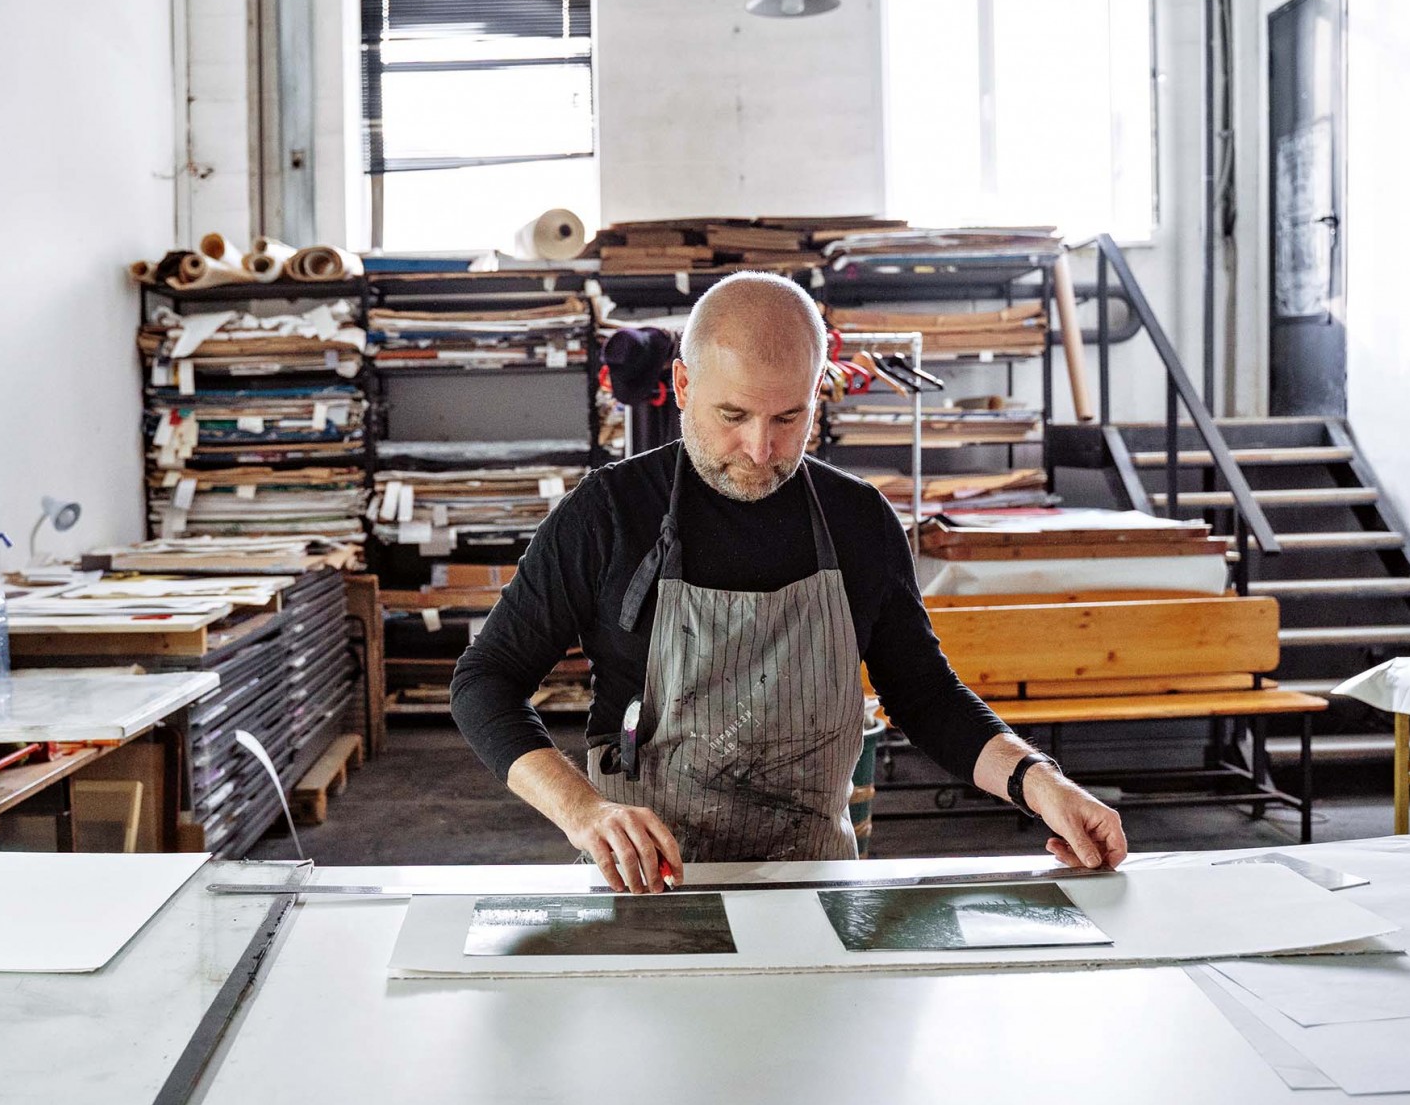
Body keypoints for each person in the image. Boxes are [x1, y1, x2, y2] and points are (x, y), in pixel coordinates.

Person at [451, 271, 1128, 892]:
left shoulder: (859, 521)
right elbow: (486, 680)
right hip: (650, 885)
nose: (760, 450)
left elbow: (925, 696)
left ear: (816, 394)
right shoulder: (609, 512)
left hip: (815, 884)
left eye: (788, 418)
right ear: (683, 386)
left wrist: (1040, 782)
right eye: (733, 416)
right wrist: (584, 810)